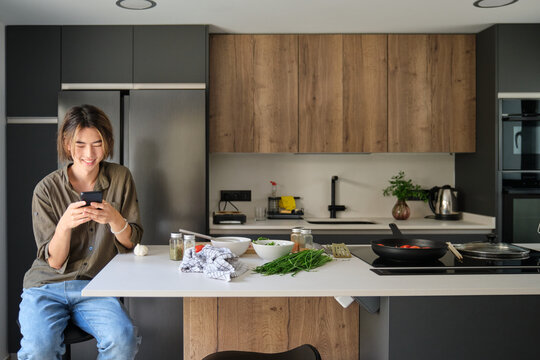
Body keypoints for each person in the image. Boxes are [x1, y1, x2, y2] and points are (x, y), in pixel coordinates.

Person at [17, 104, 143, 360]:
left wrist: (116, 220)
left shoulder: (121, 177)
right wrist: (64, 225)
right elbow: (54, 261)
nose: (89, 153)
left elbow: (131, 243)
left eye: (97, 143)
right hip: (46, 286)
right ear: (66, 144)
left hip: (95, 285)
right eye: (80, 144)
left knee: (124, 339)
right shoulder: (46, 189)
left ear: (107, 143)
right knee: (40, 350)